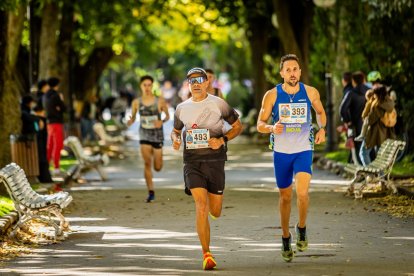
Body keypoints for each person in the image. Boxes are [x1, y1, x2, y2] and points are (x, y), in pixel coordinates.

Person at [256, 54, 326, 262]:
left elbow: (321, 112)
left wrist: (322, 128)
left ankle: (301, 227)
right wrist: (270, 127)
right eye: (288, 70)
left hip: (304, 149)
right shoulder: (272, 95)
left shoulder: (310, 92)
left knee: (302, 194)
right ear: (281, 73)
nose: (292, 73)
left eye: (295, 69)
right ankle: (285, 236)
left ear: (300, 72)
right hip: (282, 152)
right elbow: (260, 123)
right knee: (285, 197)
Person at [171, 67, 242, 270]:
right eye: (191, 80)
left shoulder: (219, 103)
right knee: (201, 206)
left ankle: (214, 210)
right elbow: (175, 131)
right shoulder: (181, 108)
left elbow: (238, 126)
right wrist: (175, 140)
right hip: (192, 162)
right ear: (188, 84)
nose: (195, 83)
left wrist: (222, 139)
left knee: (215, 210)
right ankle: (206, 254)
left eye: (199, 79)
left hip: (215, 161)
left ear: (206, 83)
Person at [127, 75, 170, 203]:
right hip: (144, 135)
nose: (147, 87)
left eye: (149, 85)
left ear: (152, 86)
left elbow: (167, 116)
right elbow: (134, 117)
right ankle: (151, 191)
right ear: (140, 86)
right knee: (147, 164)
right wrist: (131, 120)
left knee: (157, 167)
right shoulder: (136, 102)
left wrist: (161, 121)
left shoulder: (160, 101)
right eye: (144, 85)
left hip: (157, 135)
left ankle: (159, 160)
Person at [359, 86, 396, 166]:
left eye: (375, 94)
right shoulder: (389, 103)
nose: (374, 96)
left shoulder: (378, 105)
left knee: (363, 153)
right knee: (380, 157)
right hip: (385, 133)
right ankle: (379, 176)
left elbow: (370, 119)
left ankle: (370, 173)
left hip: (374, 132)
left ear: (378, 94)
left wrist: (369, 105)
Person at [339, 71, 370, 164]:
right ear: (364, 79)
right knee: (369, 150)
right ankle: (371, 172)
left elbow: (342, 109)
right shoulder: (370, 91)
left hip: (356, 126)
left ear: (353, 81)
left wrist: (348, 121)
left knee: (358, 150)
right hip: (370, 125)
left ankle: (362, 172)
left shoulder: (351, 93)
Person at [44, 77, 66, 175]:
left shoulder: (45, 96)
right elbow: (64, 108)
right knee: (58, 144)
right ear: (57, 85)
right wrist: (61, 100)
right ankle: (56, 167)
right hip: (57, 122)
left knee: (50, 145)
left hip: (49, 123)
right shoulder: (56, 95)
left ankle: (47, 166)